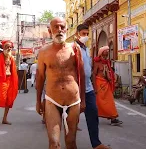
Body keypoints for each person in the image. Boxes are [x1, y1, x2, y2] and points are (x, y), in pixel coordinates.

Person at [36, 17, 86, 149]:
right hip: (52, 100)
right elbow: (40, 77)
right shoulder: (43, 52)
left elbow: (81, 75)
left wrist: (83, 100)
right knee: (54, 143)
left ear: (67, 29)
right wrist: (38, 101)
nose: (59, 30)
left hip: (73, 101)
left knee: (71, 142)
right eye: (56, 27)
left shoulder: (75, 49)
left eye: (62, 27)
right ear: (49, 30)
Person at [75, 24, 110, 149]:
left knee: (93, 114)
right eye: (83, 34)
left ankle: (96, 144)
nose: (86, 36)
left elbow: (89, 70)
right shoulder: (73, 48)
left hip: (88, 88)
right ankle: (70, 142)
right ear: (77, 34)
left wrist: (94, 87)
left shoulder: (86, 49)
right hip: (75, 88)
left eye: (87, 34)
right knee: (72, 116)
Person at [93, 46, 123, 126]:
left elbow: (110, 74)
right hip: (99, 84)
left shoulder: (107, 62)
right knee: (99, 102)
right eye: (105, 51)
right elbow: (94, 74)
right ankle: (94, 117)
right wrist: (95, 87)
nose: (107, 53)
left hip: (106, 84)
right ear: (102, 53)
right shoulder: (97, 62)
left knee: (110, 101)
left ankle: (113, 117)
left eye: (108, 51)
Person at [0, 40, 19, 125]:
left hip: (10, 79)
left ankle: (4, 119)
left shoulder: (11, 58)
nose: (9, 48)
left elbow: (13, 70)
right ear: (3, 47)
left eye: (10, 47)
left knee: (9, 99)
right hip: (2, 80)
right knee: (3, 98)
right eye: (7, 47)